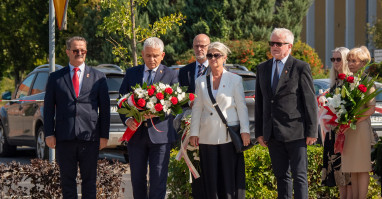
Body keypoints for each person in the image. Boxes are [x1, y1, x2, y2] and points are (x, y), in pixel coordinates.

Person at [255, 28, 318, 199]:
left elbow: (310, 102)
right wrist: (259, 132)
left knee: (299, 176)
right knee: (281, 176)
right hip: (273, 132)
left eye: (278, 44)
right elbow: (260, 103)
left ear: (289, 46)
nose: (274, 47)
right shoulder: (262, 68)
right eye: (272, 43)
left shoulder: (300, 67)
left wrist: (312, 131)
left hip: (296, 131)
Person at [44, 36, 110, 198]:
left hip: (90, 137)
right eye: (75, 50)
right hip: (64, 138)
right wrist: (48, 133)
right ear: (68, 52)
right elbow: (48, 109)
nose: (79, 53)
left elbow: (105, 109)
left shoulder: (98, 77)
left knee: (89, 182)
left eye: (83, 50)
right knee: (67, 182)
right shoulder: (55, 78)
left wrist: (104, 135)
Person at [189, 41, 250, 199]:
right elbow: (197, 108)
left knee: (228, 178)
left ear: (224, 58)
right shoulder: (200, 81)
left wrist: (245, 131)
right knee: (210, 178)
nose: (213, 58)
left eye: (217, 55)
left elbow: (241, 107)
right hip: (207, 136)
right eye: (210, 55)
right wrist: (193, 132)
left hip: (228, 135)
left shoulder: (234, 80)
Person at [119, 37, 178, 199]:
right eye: (148, 55)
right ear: (143, 54)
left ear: (162, 55)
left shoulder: (171, 74)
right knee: (137, 179)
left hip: (160, 136)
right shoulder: (132, 73)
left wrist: (158, 112)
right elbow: (121, 100)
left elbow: (175, 102)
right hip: (136, 135)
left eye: (155, 56)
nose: (152, 59)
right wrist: (127, 120)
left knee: (158, 179)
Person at [178, 33, 210, 198]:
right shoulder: (185, 71)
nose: (200, 49)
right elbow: (180, 97)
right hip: (192, 127)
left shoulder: (216, 68)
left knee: (210, 169)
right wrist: (189, 102)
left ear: (209, 47)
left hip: (212, 127)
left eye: (203, 45)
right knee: (196, 166)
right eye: (197, 45)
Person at [341, 46, 375, 198]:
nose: (350, 63)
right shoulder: (349, 82)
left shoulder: (368, 82)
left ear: (363, 63)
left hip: (360, 129)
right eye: (348, 60)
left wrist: (353, 120)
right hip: (350, 130)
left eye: (354, 60)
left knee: (361, 167)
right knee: (352, 168)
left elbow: (371, 108)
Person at [321, 47, 352, 199]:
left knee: (347, 174)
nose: (335, 62)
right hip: (334, 132)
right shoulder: (335, 83)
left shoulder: (349, 82)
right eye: (333, 59)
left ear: (346, 60)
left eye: (338, 59)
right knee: (339, 173)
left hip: (345, 132)